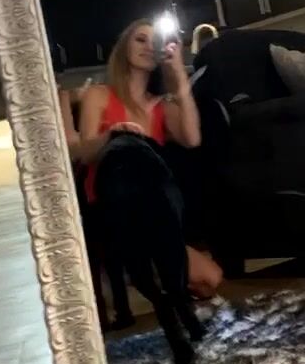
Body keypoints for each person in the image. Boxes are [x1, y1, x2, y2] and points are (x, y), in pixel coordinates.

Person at [79, 20, 222, 300]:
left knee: (211, 279)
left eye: (154, 42)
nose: (148, 47)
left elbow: (192, 139)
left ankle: (136, 271)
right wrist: (112, 135)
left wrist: (179, 79)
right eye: (140, 39)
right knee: (198, 276)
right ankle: (134, 266)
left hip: (152, 211)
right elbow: (85, 153)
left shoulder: (160, 106)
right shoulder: (99, 95)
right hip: (109, 207)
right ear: (124, 47)